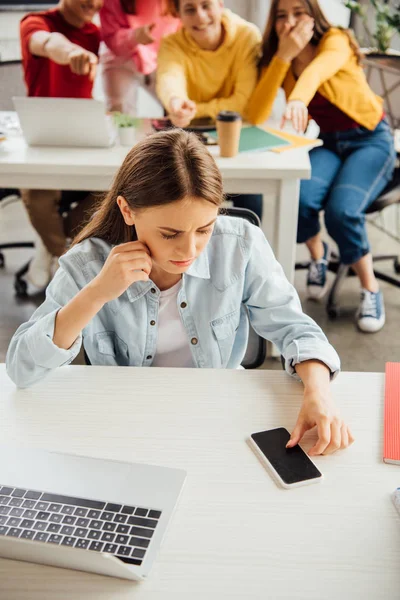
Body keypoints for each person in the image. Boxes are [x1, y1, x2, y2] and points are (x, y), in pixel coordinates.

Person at [7, 129, 353, 456]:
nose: (190, 250)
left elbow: (295, 327)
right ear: (127, 210)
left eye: (204, 228)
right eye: (170, 234)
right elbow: (22, 370)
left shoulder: (240, 244)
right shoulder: (87, 265)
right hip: (123, 425)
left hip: (216, 417)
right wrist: (95, 294)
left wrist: (318, 392)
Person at [246, 0, 396, 333]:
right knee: (297, 198)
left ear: (313, 16)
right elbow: (255, 113)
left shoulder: (337, 39)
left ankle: (370, 288)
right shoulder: (279, 57)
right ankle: (318, 252)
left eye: (299, 12)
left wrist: (297, 98)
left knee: (342, 211)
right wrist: (283, 57)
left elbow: (319, 70)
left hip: (371, 139)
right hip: (330, 142)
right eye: (282, 16)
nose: (291, 22)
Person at [19, 0, 103, 289]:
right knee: (36, 193)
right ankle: (65, 258)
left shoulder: (95, 33)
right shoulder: (36, 21)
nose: (94, 2)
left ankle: (53, 242)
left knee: (116, 189)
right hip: (43, 137)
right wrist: (72, 52)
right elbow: (49, 42)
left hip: (83, 137)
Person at [156, 0, 263, 219]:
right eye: (190, 9)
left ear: (221, 5)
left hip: (237, 136)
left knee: (250, 201)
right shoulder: (171, 43)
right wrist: (175, 101)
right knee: (176, 200)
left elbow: (242, 102)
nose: (200, 16)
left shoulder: (247, 36)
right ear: (179, 14)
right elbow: (169, 78)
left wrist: (195, 109)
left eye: (206, 5)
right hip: (191, 138)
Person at [99, 0, 180, 115]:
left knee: (177, 106)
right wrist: (134, 36)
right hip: (120, 59)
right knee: (119, 114)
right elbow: (111, 36)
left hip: (161, 59)